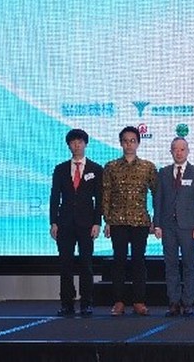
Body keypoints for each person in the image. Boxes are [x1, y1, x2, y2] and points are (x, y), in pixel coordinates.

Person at [102, 126, 157, 316]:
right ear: (121, 143)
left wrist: (156, 220)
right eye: (125, 141)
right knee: (119, 261)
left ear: (138, 143)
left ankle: (139, 301)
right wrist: (107, 220)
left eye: (132, 141)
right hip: (117, 221)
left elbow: (157, 194)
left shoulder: (148, 167)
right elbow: (106, 195)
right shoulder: (111, 167)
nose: (129, 144)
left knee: (138, 261)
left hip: (140, 221)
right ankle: (119, 302)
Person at [49, 128, 102, 317]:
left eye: (80, 142)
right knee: (65, 264)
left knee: (86, 264)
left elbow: (99, 199)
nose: (77, 145)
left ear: (85, 144)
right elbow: (55, 197)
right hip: (64, 223)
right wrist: (53, 222)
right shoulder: (60, 169)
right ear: (69, 145)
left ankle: (86, 303)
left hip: (87, 223)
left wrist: (97, 222)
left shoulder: (95, 169)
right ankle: (67, 303)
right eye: (73, 142)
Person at [152, 137, 194, 317]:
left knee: (189, 265)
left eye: (182, 149)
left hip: (188, 226)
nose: (179, 152)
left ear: (188, 151)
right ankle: (174, 302)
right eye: (175, 149)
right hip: (167, 226)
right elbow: (158, 200)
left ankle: (188, 302)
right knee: (171, 265)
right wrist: (157, 224)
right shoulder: (163, 173)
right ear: (171, 151)